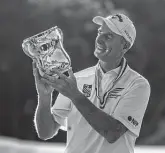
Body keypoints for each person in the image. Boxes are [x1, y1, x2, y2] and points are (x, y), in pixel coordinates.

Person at [33, 13, 151, 153]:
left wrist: (75, 95)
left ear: (124, 45)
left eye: (108, 36)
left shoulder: (138, 85)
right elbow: (46, 132)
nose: (99, 40)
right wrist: (44, 97)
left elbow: (113, 133)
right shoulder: (77, 78)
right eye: (100, 33)